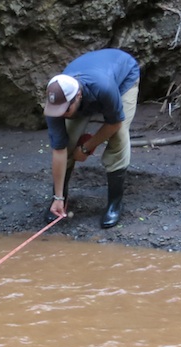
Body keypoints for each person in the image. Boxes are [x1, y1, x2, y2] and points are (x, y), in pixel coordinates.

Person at [43, 48, 140, 228]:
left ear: (78, 97)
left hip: (123, 76)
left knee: (118, 138)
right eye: (58, 110)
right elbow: (59, 148)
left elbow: (115, 123)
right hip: (93, 78)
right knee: (69, 140)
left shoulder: (104, 88)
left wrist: (87, 147)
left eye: (66, 110)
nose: (61, 114)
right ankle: (60, 201)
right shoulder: (55, 102)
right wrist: (58, 197)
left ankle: (115, 203)